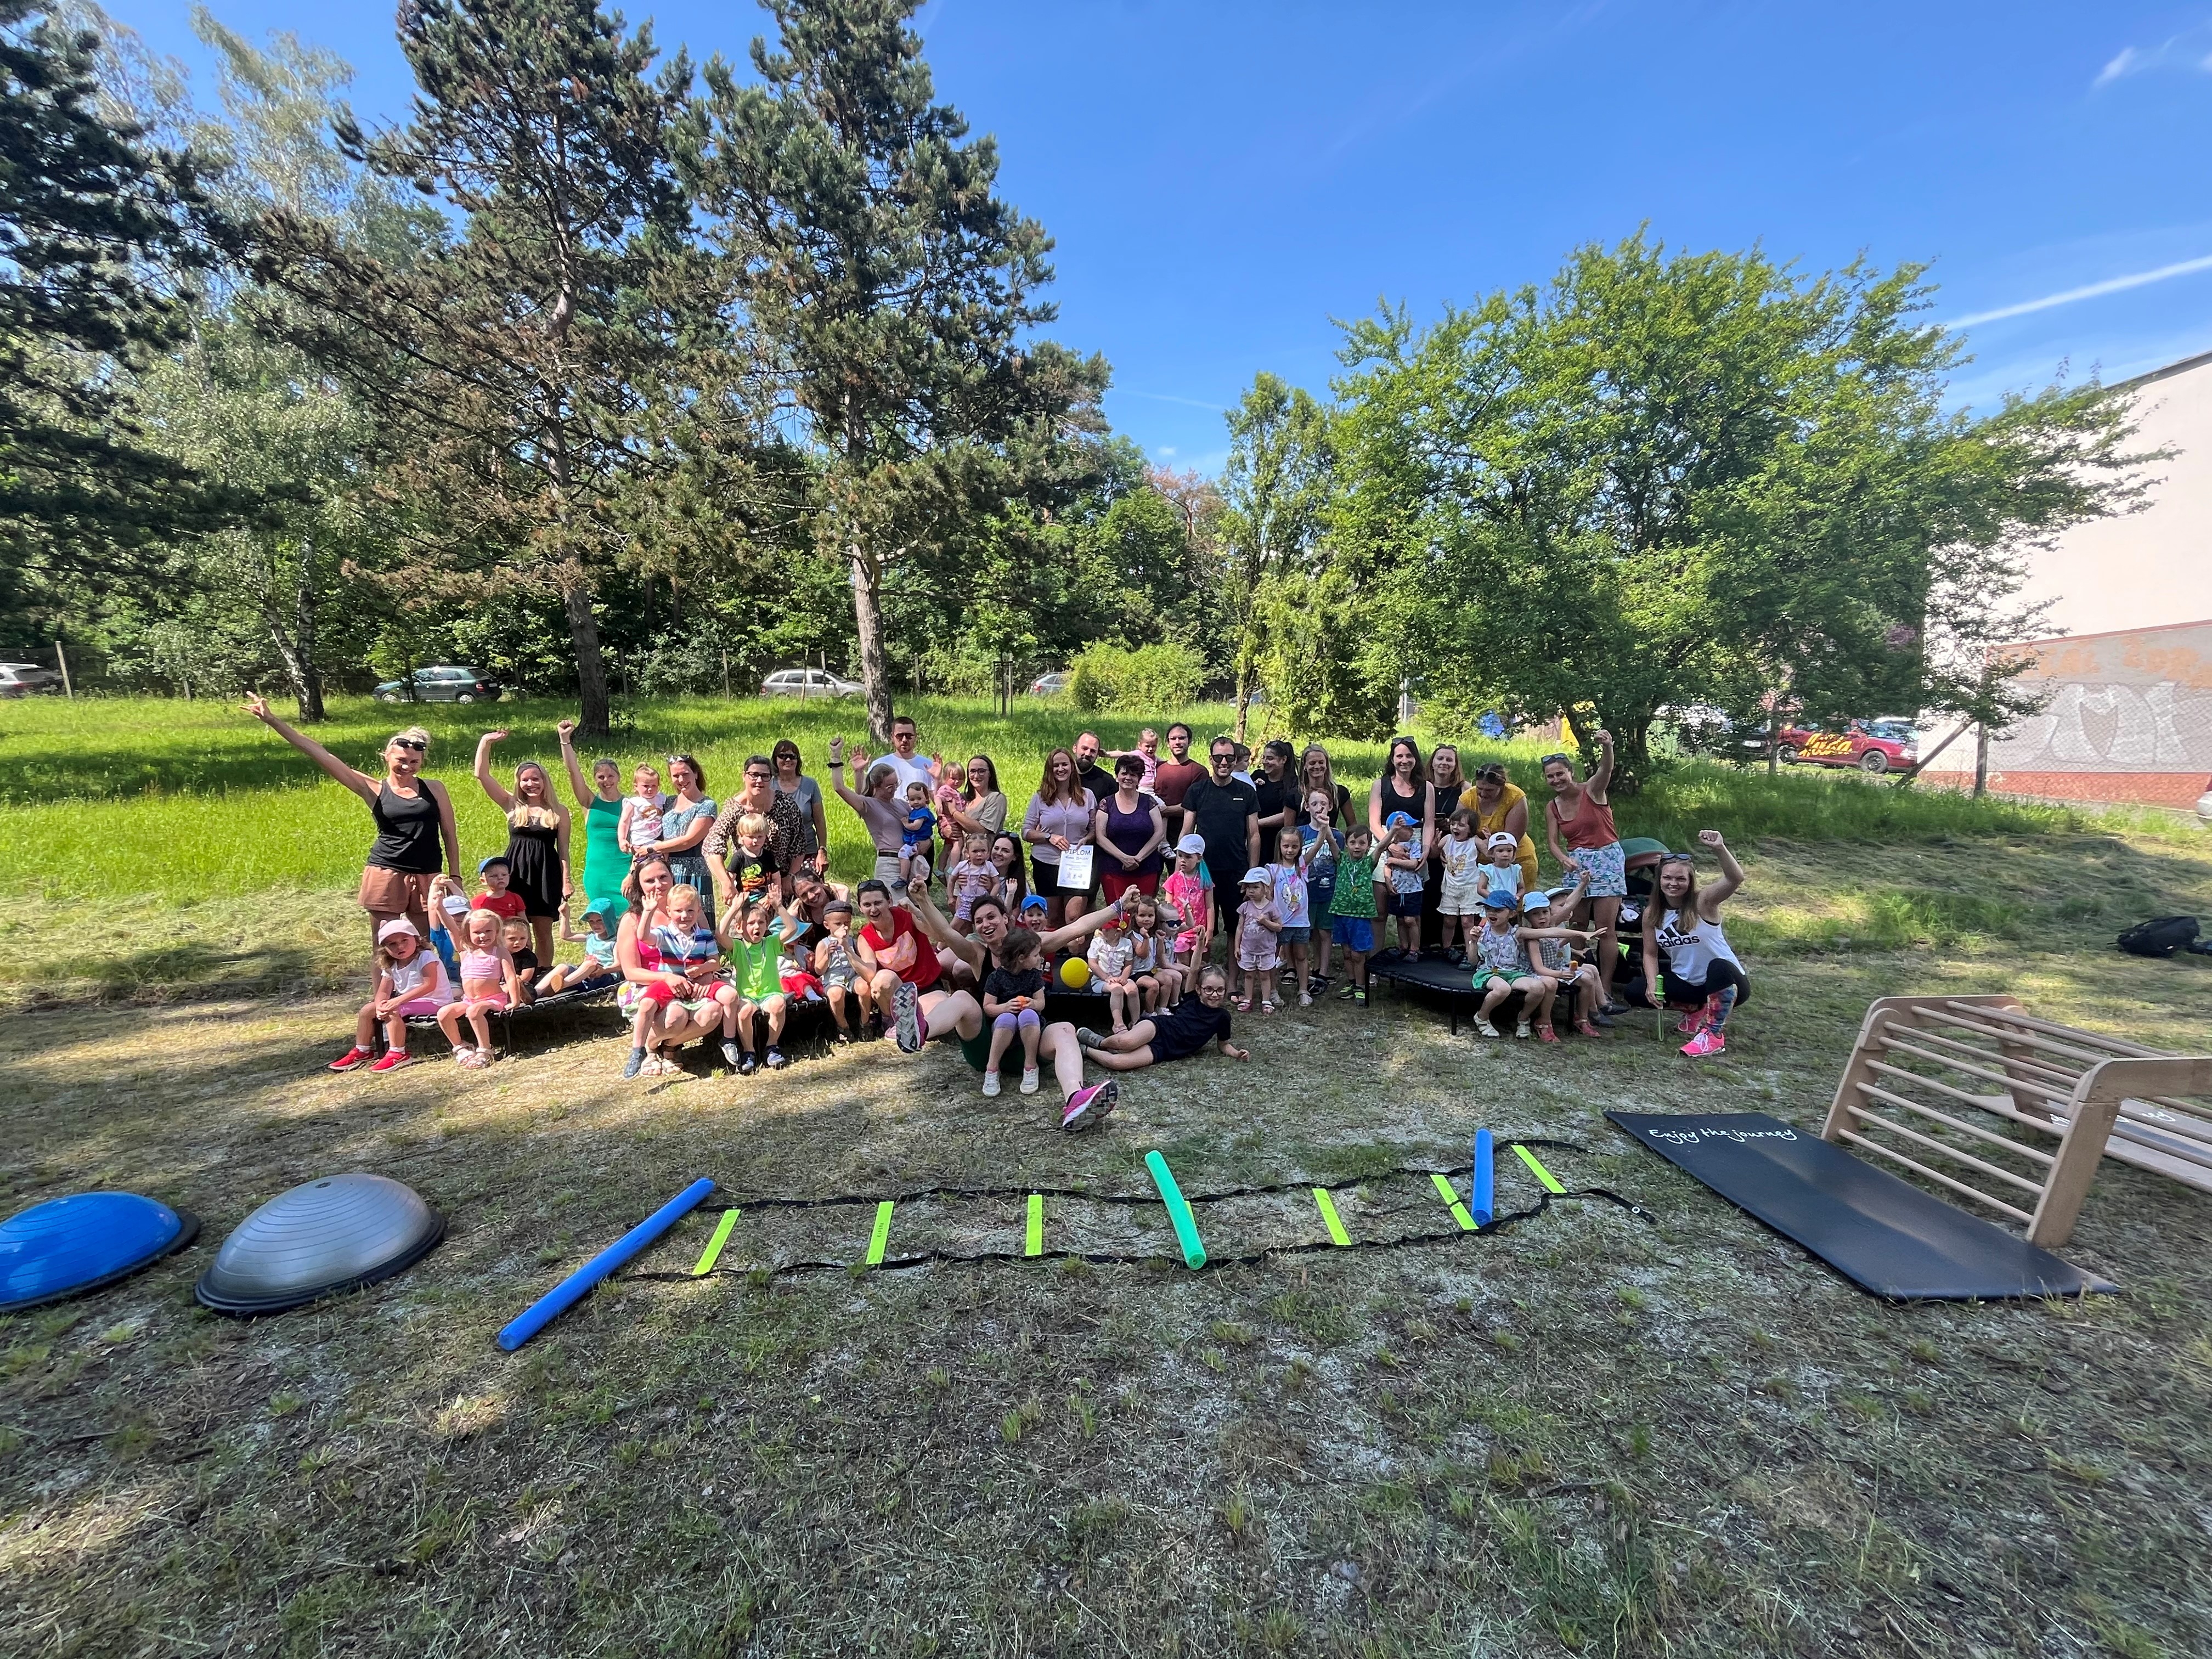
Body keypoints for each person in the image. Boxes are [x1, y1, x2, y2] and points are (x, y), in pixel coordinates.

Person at [241, 697, 460, 962]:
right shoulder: (371, 788)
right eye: (401, 759)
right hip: (387, 872)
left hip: (428, 874)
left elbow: (449, 833)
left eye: (414, 762)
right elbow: (320, 753)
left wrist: (455, 877)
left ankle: (427, 987)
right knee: (386, 948)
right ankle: (384, 990)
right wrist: (273, 720)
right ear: (386, 755)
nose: (407, 766)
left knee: (427, 943)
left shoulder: (435, 789)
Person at [898, 883, 1125, 1130]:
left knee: (1066, 1029)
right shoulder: (976, 953)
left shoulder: (1030, 945)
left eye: (991, 917)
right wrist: (923, 899)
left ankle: (1076, 1100)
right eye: (979, 921)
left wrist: (1118, 906)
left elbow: (1076, 928)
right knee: (962, 997)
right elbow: (944, 932)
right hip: (987, 1048)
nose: (985, 924)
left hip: (1030, 1044)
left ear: (1006, 918)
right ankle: (920, 1031)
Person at [1641, 830, 1749, 1057]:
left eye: (1680, 879)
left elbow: (1735, 879)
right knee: (1636, 991)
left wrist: (1719, 849)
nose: (1673, 883)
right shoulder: (1652, 913)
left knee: (1718, 966)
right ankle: (1699, 1010)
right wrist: (1652, 984)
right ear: (1659, 880)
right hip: (1690, 983)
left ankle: (1713, 1035)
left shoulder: (1703, 902)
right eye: (1667, 878)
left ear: (1690, 881)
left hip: (1726, 981)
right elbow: (1650, 954)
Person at [613, 856, 723, 1079]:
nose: (658, 885)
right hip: (650, 984)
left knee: (713, 1013)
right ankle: (649, 1048)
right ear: (639, 886)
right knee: (675, 1016)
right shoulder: (633, 920)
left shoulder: (690, 911)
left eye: (663, 877)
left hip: (690, 981)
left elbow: (707, 948)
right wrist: (666, 978)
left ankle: (670, 1046)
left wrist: (707, 974)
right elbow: (631, 972)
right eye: (649, 881)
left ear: (672, 878)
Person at [1542, 731, 1628, 1011]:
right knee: (1577, 925)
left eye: (1560, 774)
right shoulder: (1552, 807)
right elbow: (1552, 843)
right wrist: (1563, 859)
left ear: (1571, 773)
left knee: (1605, 929)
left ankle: (1605, 987)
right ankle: (1578, 979)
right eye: (1550, 776)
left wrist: (1608, 746)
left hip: (1607, 859)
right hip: (1577, 864)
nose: (1556, 780)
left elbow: (1606, 770)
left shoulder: (1592, 791)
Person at [472, 731, 570, 964]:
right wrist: (486, 742)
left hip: (546, 873)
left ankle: (543, 973)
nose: (531, 784)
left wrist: (567, 880)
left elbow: (564, 850)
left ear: (544, 781)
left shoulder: (559, 811)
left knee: (543, 931)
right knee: (515, 929)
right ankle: (517, 970)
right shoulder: (511, 804)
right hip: (516, 873)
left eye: (536, 779)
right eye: (525, 780)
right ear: (519, 783)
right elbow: (482, 775)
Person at [1469, 890, 1594, 1041]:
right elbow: (1473, 961)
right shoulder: (1482, 932)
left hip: (1513, 973)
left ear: (1511, 914)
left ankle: (1523, 1018)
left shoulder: (1517, 933)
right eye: (1489, 909)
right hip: (1490, 972)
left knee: (1538, 987)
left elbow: (1548, 933)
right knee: (1503, 989)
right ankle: (1482, 1017)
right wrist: (1473, 942)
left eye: (1498, 910)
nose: (1492, 913)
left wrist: (1580, 934)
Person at [1074, 963, 1251, 1070]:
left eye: (1220, 990)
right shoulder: (1192, 997)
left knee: (1118, 1062)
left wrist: (1237, 1053)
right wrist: (1199, 944)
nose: (1214, 994)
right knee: (1125, 1042)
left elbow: (1223, 1044)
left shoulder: (1222, 1017)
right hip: (1160, 1027)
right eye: (1209, 989)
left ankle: (1085, 1050)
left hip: (1167, 1049)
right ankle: (1100, 1042)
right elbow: (1194, 970)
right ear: (1199, 989)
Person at [331, 918, 449, 1074]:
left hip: (435, 1001)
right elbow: (384, 991)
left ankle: (398, 1053)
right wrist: (380, 1005)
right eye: (392, 944)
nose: (400, 947)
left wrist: (396, 1002)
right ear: (385, 948)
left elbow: (429, 985)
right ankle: (363, 1050)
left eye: (405, 941)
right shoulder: (392, 964)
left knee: (394, 1010)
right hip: (408, 1003)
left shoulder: (426, 957)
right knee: (367, 1010)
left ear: (416, 940)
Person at [1179, 736, 1261, 946]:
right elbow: (1186, 832)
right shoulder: (1197, 791)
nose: (1224, 762)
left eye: (1229, 758)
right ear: (1211, 759)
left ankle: (1233, 969)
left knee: (1236, 927)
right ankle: (1204, 967)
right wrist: (1181, 870)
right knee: (1202, 926)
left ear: (1235, 760)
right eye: (1218, 758)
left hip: (1236, 870)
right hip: (1203, 871)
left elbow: (1253, 835)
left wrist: (1252, 873)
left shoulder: (1247, 792)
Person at [706, 754, 815, 894]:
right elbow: (712, 844)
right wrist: (726, 882)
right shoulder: (734, 809)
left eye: (765, 776)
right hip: (748, 886)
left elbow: (799, 843)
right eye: (754, 775)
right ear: (744, 776)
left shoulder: (786, 805)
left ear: (771, 778)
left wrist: (790, 877)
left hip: (781, 883)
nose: (759, 781)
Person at [1368, 737, 1436, 953]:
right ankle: (1375, 958)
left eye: (1409, 756)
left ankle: (1412, 953)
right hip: (1384, 841)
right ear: (1392, 759)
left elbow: (1429, 823)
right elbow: (1373, 823)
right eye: (1399, 756)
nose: (1404, 761)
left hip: (1415, 845)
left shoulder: (1426, 787)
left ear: (1416, 759)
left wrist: (1426, 849)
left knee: (1412, 911)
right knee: (1380, 910)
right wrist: (1389, 845)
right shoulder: (1381, 785)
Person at [557, 721, 628, 923]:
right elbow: (573, 771)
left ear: (619, 777)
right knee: (603, 923)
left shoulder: (631, 804)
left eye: (611, 776)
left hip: (624, 871)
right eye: (601, 777)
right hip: (599, 873)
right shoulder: (589, 802)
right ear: (595, 780)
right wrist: (565, 740)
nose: (606, 781)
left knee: (628, 922)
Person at [853, 878, 936, 1047]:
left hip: (927, 987)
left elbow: (934, 932)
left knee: (930, 1020)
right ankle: (890, 1020)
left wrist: (915, 910)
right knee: (880, 980)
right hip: (898, 993)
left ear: (889, 901)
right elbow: (870, 975)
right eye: (867, 905)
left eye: (878, 903)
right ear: (860, 908)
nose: (873, 909)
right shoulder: (865, 937)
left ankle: (913, 1029)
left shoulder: (906, 914)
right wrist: (847, 950)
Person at [1022, 747, 1096, 928]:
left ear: (1072, 767)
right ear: (1050, 769)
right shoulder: (1040, 798)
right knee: (1052, 918)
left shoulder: (1087, 795)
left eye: (1065, 764)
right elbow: (1026, 832)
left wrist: (1087, 839)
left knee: (1074, 918)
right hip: (1047, 863)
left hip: (1076, 864)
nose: (1061, 769)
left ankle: (1075, 948)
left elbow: (1095, 829)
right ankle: (1053, 947)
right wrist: (1049, 837)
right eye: (1056, 766)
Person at [437, 907, 520, 1068]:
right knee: (443, 1013)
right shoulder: (465, 951)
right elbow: (451, 928)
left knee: (474, 1012)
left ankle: (485, 1050)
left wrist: (515, 1001)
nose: (483, 936)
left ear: (497, 932)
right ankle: (461, 1047)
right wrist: (439, 907)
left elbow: (511, 977)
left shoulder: (499, 952)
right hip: (469, 1000)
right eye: (477, 932)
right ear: (468, 934)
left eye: (488, 931)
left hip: (493, 999)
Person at [1519, 885, 1604, 1039]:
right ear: (1527, 917)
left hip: (1556, 969)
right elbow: (1539, 968)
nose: (1542, 917)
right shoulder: (1532, 938)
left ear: (1550, 912)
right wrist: (1560, 974)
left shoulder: (1553, 927)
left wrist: (1570, 940)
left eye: (1545, 912)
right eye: (1535, 914)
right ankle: (1544, 1021)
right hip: (1538, 973)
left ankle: (1582, 1019)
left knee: (1587, 978)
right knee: (1551, 983)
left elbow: (1555, 946)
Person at [721, 891, 791, 1074]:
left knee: (779, 1004)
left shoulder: (771, 942)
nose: (756, 927)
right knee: (744, 1011)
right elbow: (720, 934)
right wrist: (735, 908)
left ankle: (772, 1047)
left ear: (766, 925)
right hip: (747, 995)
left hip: (770, 993)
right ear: (740, 928)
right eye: (751, 923)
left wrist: (779, 906)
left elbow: (791, 929)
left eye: (761, 922)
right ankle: (749, 1051)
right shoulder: (738, 946)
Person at [828, 739, 911, 887]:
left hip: (910, 861)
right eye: (889, 786)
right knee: (896, 901)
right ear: (877, 786)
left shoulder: (901, 804)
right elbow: (839, 788)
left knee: (917, 902)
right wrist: (836, 756)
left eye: (896, 784)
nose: (894, 789)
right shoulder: (870, 805)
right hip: (889, 863)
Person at [980, 926, 1050, 1096]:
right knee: (1007, 1018)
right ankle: (992, 1068)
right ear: (1021, 958)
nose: (1039, 958)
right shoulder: (996, 977)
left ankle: (1030, 1066)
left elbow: (1041, 1003)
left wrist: (1033, 1004)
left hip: (1030, 1026)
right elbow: (988, 1007)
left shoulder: (1034, 975)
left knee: (1028, 1014)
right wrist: (1005, 1007)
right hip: (1004, 1027)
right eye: (1036, 955)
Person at [1092, 753, 1167, 903]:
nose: (1128, 778)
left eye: (1133, 775)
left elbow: (1159, 833)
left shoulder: (1149, 802)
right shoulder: (1106, 804)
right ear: (1117, 776)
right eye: (1124, 773)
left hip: (1146, 869)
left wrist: (1138, 858)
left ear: (1139, 779)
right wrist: (1124, 858)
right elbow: (1100, 837)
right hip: (1114, 870)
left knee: (1144, 912)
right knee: (1117, 913)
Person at [652, 755, 718, 921]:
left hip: (695, 872)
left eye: (685, 774)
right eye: (676, 776)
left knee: (697, 920)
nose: (681, 780)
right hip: (668, 873)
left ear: (695, 774)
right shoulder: (668, 802)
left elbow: (690, 840)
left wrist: (655, 847)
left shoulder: (707, 805)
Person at [1462, 762, 1538, 896]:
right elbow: (1459, 832)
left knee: (1514, 904)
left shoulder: (1515, 796)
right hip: (1479, 864)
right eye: (1479, 788)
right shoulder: (1467, 798)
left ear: (1502, 786)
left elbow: (1509, 841)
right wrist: (1477, 842)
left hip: (1515, 861)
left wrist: (1490, 846)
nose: (1483, 794)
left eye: (1489, 790)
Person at [1329, 825, 1380, 1002]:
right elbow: (1330, 840)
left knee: (1358, 954)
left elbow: (1382, 846)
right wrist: (1324, 825)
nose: (1357, 846)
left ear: (1368, 845)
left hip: (1360, 916)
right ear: (1346, 844)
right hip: (1341, 913)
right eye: (1353, 843)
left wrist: (1395, 831)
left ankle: (1361, 986)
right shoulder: (1341, 860)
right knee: (1347, 953)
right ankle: (1352, 983)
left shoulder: (1369, 863)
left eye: (1362, 843)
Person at [1300, 792, 1343, 995]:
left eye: (1324, 804)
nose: (1320, 808)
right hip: (1305, 893)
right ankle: (1305, 969)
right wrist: (1319, 838)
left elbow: (1340, 861)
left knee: (1325, 932)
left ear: (1331, 807)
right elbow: (1301, 863)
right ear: (1307, 807)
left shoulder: (1338, 836)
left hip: (1328, 892)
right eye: (1315, 803)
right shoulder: (1300, 833)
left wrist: (1329, 836)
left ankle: (1323, 972)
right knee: (1308, 932)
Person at [1265, 828, 1313, 1009]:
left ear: (1300, 847)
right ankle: (1272, 990)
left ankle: (1303, 991)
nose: (1290, 850)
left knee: (1302, 956)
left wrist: (1324, 829)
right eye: (1286, 846)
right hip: (1280, 923)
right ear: (1279, 846)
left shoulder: (1302, 866)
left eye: (1295, 846)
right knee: (1273, 957)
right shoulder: (1272, 869)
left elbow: (1316, 847)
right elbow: (1268, 895)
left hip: (1301, 922)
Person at [936, 755, 1007, 875]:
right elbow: (940, 811)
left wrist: (954, 812)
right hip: (957, 863)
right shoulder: (962, 798)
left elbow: (982, 830)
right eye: (972, 771)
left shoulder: (996, 798)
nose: (976, 776)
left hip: (981, 866)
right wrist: (945, 831)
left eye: (982, 771)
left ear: (990, 774)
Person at [770, 738, 829, 878]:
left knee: (811, 889)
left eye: (792, 756)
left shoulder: (810, 785)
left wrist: (822, 851)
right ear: (775, 760)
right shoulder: (769, 785)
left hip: (808, 850)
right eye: (783, 756)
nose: (788, 760)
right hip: (776, 854)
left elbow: (820, 821)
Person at [1231, 868, 1283, 1013]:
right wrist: (1237, 947)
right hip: (1248, 949)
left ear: (1265, 889)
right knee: (1249, 974)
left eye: (1255, 887)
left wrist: (1266, 922)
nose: (1251, 891)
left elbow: (1279, 927)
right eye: (1249, 887)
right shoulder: (1245, 907)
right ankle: (1248, 999)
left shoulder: (1271, 908)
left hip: (1266, 950)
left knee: (1265, 975)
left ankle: (1266, 1000)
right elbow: (1240, 928)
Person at [539, 905, 620, 996]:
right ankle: (536, 992)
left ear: (609, 920)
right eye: (591, 922)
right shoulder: (591, 936)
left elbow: (619, 966)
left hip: (605, 977)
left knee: (590, 964)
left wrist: (603, 971)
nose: (595, 925)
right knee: (563, 967)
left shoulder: (614, 942)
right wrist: (565, 915)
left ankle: (563, 984)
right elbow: (566, 936)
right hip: (585, 976)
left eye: (599, 921)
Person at [1435, 808, 1485, 958]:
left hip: (1469, 888)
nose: (1455, 828)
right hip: (1451, 888)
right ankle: (1447, 949)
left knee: (1467, 922)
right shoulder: (1447, 839)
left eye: (1461, 825)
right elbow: (1434, 853)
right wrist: (1435, 844)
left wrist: (1489, 840)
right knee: (1449, 920)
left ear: (1471, 829)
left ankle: (1470, 953)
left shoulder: (1474, 841)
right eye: (1453, 824)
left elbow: (1490, 853)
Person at [813, 898, 864, 1042]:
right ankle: (843, 1026)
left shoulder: (853, 941)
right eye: (838, 924)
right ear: (827, 925)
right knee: (836, 994)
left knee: (865, 987)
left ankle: (865, 1023)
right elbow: (819, 970)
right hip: (834, 979)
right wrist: (827, 955)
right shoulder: (824, 944)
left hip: (852, 976)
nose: (844, 927)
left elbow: (860, 961)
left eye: (847, 923)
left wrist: (848, 948)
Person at [1379, 811, 1426, 958]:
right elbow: (1387, 867)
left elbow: (1413, 864)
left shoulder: (1415, 844)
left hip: (1413, 889)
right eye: (1408, 828)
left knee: (1410, 919)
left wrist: (1394, 861)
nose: (1412, 830)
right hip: (1398, 888)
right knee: (1400, 920)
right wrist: (1388, 882)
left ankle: (1414, 948)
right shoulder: (1390, 846)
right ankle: (1404, 946)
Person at [1086, 909, 1141, 1034]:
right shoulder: (1097, 942)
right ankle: (1118, 1024)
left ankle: (1136, 1022)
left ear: (1118, 932)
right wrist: (1106, 978)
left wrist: (1124, 977)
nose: (1102, 930)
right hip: (1100, 980)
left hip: (1119, 977)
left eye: (1107, 929)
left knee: (1133, 989)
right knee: (1117, 989)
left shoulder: (1126, 944)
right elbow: (1093, 964)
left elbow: (1128, 964)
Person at [1161, 834, 1212, 965]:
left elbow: (1210, 906)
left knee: (1199, 964)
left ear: (1199, 858)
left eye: (1188, 857)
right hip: (1180, 930)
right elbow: (1168, 907)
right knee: (1182, 964)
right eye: (1180, 856)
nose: (1183, 860)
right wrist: (1169, 928)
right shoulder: (1173, 880)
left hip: (1198, 930)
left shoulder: (1205, 880)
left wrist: (1210, 930)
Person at [1297, 743, 1353, 833]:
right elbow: (1288, 831)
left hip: (1330, 839)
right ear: (1305, 766)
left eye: (1321, 763)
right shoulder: (1295, 794)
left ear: (1327, 764)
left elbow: (1353, 826)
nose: (1317, 766)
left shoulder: (1339, 792)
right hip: (1303, 840)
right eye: (1312, 763)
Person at [1152, 723, 1206, 812]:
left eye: (1182, 738)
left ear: (1190, 741)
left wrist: (1165, 811)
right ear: (1168, 743)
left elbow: (1197, 804)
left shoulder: (1199, 771)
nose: (1177, 742)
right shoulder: (1156, 768)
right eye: (1173, 739)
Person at [878, 714, 938, 795]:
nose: (904, 740)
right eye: (900, 736)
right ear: (892, 737)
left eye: (909, 736)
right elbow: (866, 797)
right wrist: (860, 772)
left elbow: (937, 799)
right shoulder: (880, 764)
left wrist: (937, 779)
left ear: (915, 737)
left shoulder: (928, 766)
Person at [618, 763, 668, 861]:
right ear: (636, 786)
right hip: (640, 841)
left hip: (658, 839)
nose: (650, 789)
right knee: (641, 864)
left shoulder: (661, 798)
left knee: (663, 859)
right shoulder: (634, 803)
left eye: (654, 786)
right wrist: (622, 840)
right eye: (646, 786)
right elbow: (624, 822)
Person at [1253, 740, 1297, 840]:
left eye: (1270, 758)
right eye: (1263, 758)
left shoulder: (1293, 783)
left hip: (1279, 839)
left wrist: (1258, 823)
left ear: (1284, 760)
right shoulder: (1258, 776)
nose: (1265, 762)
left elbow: (1288, 815)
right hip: (1255, 837)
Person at [899, 781, 938, 889]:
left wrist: (905, 824)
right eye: (912, 799)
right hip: (915, 841)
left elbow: (916, 826)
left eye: (919, 799)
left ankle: (903, 878)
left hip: (919, 842)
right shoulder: (916, 811)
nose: (916, 802)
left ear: (926, 797)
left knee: (904, 855)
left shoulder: (923, 812)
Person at [500, 914, 539, 1006]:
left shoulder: (527, 956)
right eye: (512, 939)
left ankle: (524, 997)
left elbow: (526, 977)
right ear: (501, 939)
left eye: (522, 938)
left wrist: (510, 985)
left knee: (518, 982)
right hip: (502, 985)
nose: (518, 942)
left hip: (523, 985)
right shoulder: (499, 954)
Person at [1072, 731, 1118, 809]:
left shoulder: (1107, 783)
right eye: (1084, 749)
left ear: (1098, 754)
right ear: (1075, 748)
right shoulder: (1061, 776)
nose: (1088, 754)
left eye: (1093, 751)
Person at [472, 856, 525, 922]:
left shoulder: (515, 898)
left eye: (504, 875)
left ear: (509, 877)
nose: (500, 878)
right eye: (494, 876)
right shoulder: (478, 901)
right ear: (484, 881)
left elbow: (524, 921)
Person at [1105, 728, 1160, 792]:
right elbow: (1121, 754)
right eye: (1147, 746)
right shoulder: (1138, 754)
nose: (1151, 749)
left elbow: (1165, 763)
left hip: (1153, 788)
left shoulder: (1155, 759)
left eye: (1154, 746)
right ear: (1140, 746)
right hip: (1142, 787)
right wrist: (1106, 754)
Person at [1479, 832, 1525, 904]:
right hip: (1493, 905)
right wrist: (1494, 897)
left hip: (1510, 905)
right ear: (1492, 853)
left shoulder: (1516, 870)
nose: (1505, 854)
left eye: (1509, 851)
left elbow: (1522, 888)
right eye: (1500, 851)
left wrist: (1518, 896)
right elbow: (1481, 889)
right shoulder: (1488, 870)